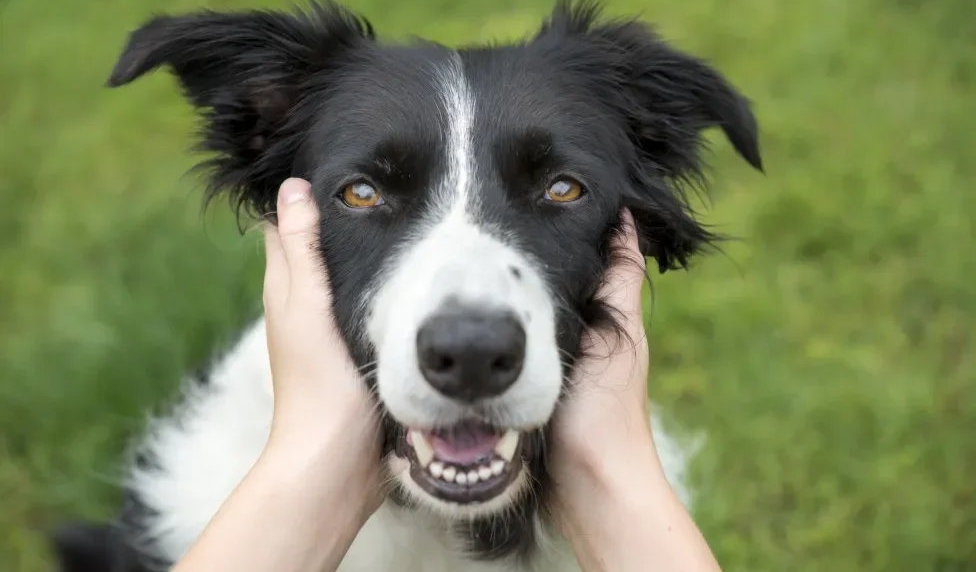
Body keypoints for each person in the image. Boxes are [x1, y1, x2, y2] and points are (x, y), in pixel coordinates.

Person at [172, 178, 723, 572]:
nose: (470, 349)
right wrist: (322, 459)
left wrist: (602, 468)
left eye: (562, 191)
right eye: (364, 193)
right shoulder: (188, 515)